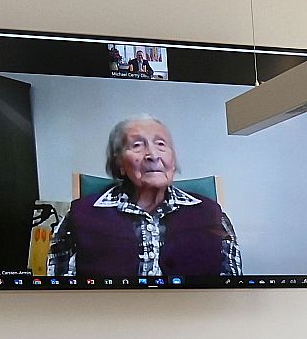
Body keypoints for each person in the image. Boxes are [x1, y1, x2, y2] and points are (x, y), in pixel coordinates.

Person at [48, 116, 241, 279]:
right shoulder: (80, 215)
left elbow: (232, 290)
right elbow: (60, 291)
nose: (152, 155)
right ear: (119, 163)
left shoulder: (211, 213)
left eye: (161, 144)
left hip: (194, 319)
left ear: (173, 161)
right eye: (137, 145)